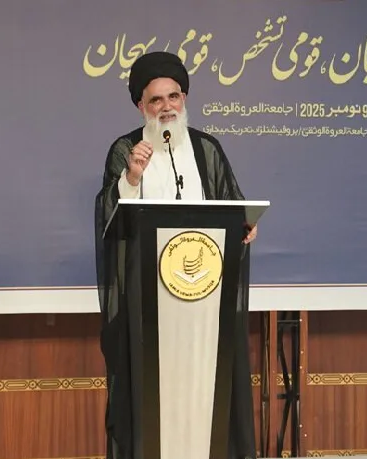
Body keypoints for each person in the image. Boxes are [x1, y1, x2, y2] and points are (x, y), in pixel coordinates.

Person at [93, 51, 258, 459]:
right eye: (156, 100)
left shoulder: (206, 148)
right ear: (141, 106)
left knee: (202, 383)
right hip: (149, 304)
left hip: (204, 300)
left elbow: (234, 206)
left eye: (174, 96)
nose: (166, 107)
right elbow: (109, 218)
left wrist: (246, 226)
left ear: (184, 99)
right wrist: (131, 178)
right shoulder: (126, 150)